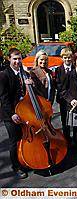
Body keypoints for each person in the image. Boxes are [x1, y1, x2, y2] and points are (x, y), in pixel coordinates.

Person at [0, 48, 30, 179]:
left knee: (25, 138)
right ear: (9, 59)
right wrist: (12, 113)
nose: (18, 61)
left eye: (19, 59)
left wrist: (30, 84)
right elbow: (4, 98)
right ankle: (16, 167)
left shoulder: (24, 73)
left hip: (24, 111)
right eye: (15, 59)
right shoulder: (4, 75)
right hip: (10, 114)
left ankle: (24, 160)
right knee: (15, 141)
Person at [55, 48, 74, 144]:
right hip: (63, 99)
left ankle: (75, 139)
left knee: (74, 120)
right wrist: (66, 98)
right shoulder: (58, 70)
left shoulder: (75, 68)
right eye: (65, 58)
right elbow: (58, 86)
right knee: (64, 120)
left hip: (74, 99)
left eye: (69, 58)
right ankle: (66, 139)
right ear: (62, 58)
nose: (67, 60)